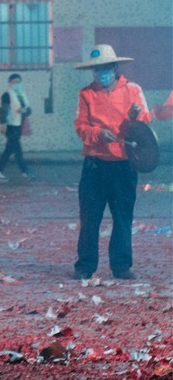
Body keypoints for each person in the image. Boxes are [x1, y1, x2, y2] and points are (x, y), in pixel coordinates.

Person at [72, 44, 151, 280]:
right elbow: (81, 127)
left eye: (105, 68)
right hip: (95, 164)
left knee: (123, 217)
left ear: (114, 67)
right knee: (90, 218)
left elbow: (145, 123)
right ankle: (85, 266)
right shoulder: (86, 94)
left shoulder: (133, 90)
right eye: (97, 70)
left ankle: (121, 266)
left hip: (124, 164)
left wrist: (137, 115)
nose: (101, 73)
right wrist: (97, 133)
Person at [0, 73, 33, 182]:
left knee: (12, 149)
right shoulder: (7, 95)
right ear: (10, 83)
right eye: (15, 82)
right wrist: (3, 123)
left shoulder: (22, 94)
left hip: (19, 125)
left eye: (19, 82)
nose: (17, 84)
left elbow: (29, 110)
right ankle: (22, 171)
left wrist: (25, 110)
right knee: (15, 149)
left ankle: (23, 172)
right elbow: (4, 110)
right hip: (11, 125)